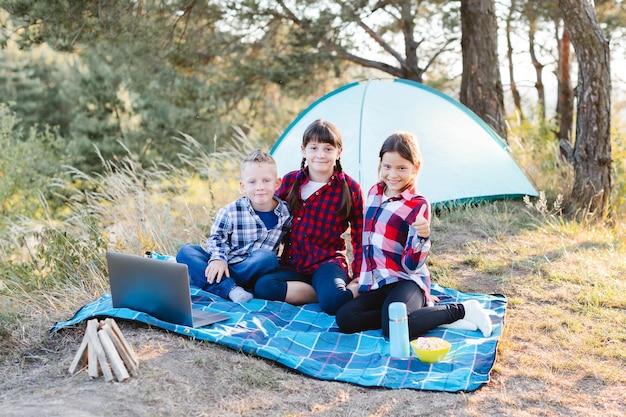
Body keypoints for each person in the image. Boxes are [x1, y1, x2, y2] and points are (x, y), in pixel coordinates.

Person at [335, 132, 493, 339]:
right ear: (380, 164)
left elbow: (412, 265)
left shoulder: (417, 204)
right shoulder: (374, 192)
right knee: (346, 318)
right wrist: (360, 276)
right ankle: (425, 318)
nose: (393, 174)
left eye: (402, 168)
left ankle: (461, 310)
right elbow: (366, 243)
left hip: (405, 280)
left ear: (415, 168)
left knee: (394, 330)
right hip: (379, 281)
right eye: (387, 166)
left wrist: (422, 237)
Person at [254, 119, 364, 315]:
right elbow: (270, 217)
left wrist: (358, 275)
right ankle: (317, 293)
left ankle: (331, 292)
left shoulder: (350, 188)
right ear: (304, 150)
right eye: (314, 148)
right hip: (294, 262)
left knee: (333, 304)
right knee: (263, 286)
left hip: (327, 262)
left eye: (328, 149)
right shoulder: (289, 181)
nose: (320, 155)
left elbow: (360, 235)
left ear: (339, 152)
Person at [176, 149, 292, 303]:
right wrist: (218, 259)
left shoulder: (286, 213)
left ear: (277, 183)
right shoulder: (230, 211)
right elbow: (216, 239)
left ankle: (205, 279)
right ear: (242, 186)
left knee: (268, 258)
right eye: (252, 182)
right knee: (186, 251)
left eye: (266, 181)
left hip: (251, 269)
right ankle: (230, 288)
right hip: (225, 264)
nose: (260, 187)